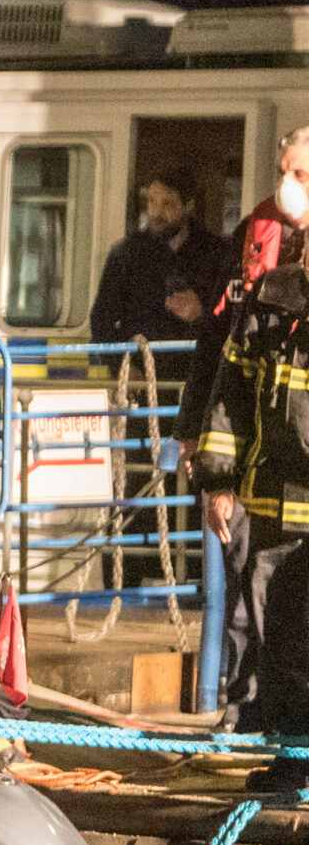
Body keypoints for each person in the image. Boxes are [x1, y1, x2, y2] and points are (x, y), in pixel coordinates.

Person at [190, 130, 309, 721]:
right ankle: (266, 741)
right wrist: (215, 476)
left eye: (301, 176)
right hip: (265, 501)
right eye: (285, 172)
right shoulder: (267, 281)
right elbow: (226, 376)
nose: (288, 188)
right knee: (268, 635)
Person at [92, 166, 230, 383]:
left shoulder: (216, 253)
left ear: (188, 205)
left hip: (196, 377)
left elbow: (232, 318)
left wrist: (202, 313)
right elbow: (101, 318)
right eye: (151, 202)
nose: (156, 213)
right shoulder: (126, 254)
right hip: (140, 377)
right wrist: (120, 366)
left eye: (168, 204)